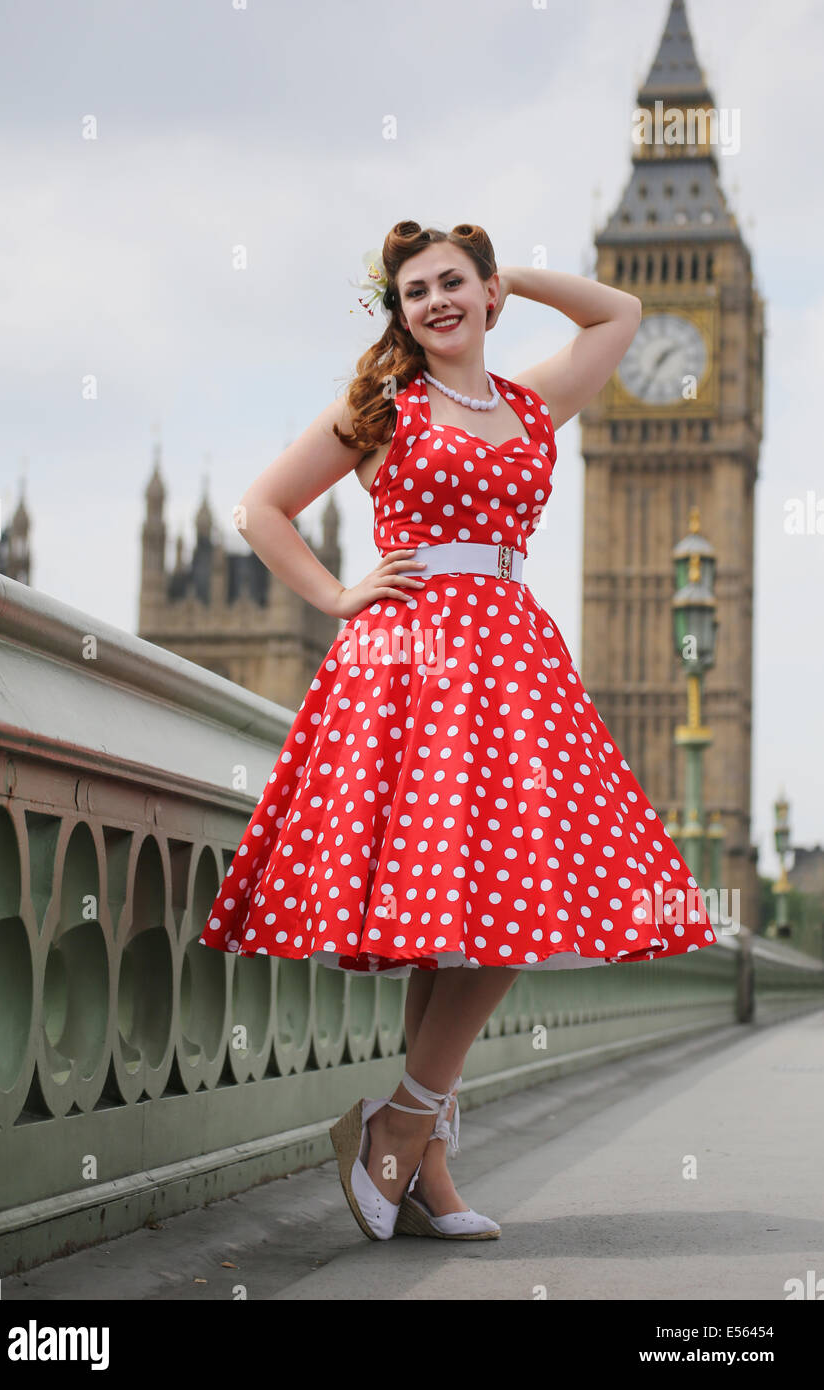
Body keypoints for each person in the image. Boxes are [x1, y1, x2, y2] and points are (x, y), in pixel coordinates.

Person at [198, 219, 719, 1243]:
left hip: (513, 660)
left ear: (484, 295)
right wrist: (339, 594)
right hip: (410, 664)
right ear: (398, 314)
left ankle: (407, 1146)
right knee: (462, 906)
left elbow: (622, 313)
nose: (433, 302)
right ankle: (403, 1140)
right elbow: (261, 507)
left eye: (452, 284)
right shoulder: (383, 407)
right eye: (412, 292)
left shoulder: (531, 400)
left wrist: (511, 274)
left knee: (489, 904)